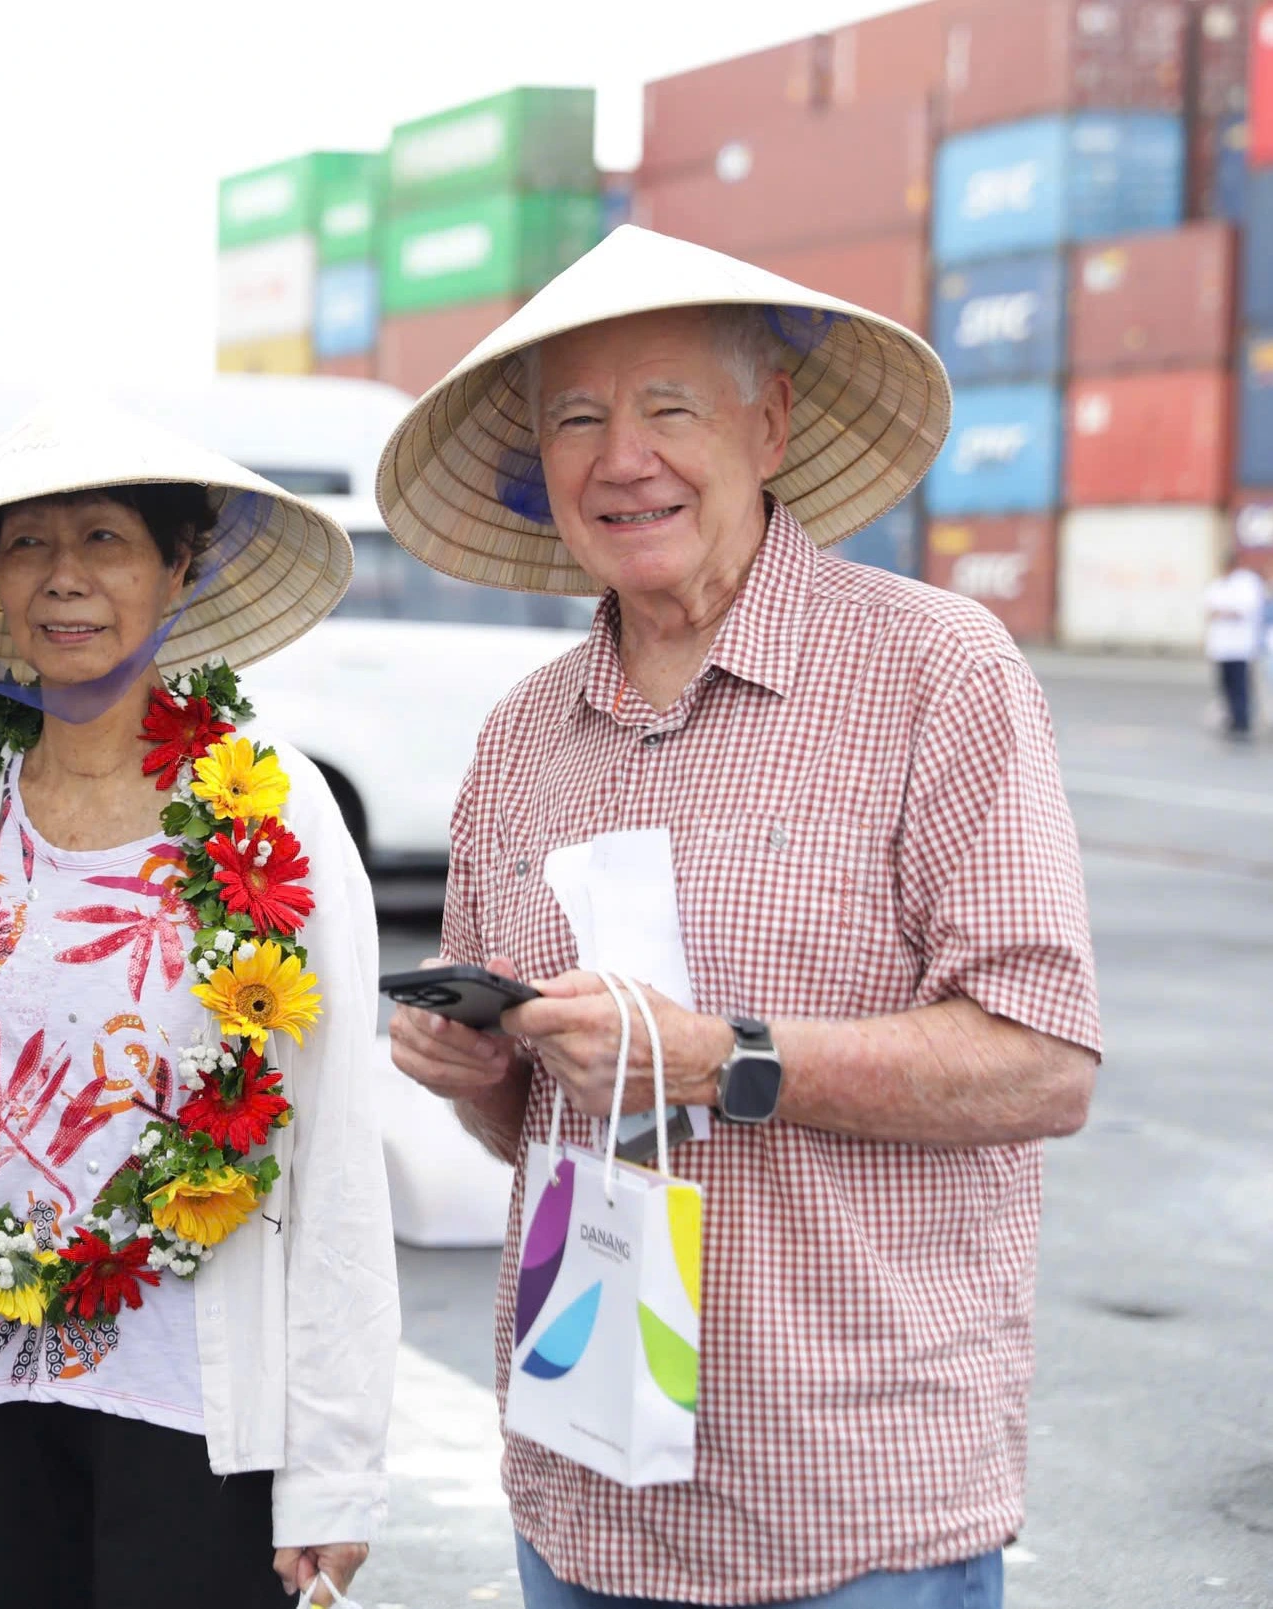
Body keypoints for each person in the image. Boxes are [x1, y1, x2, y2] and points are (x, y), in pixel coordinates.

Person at [379, 226, 1102, 1608]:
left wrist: (721, 1058)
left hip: (847, 1497)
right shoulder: (522, 737)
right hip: (582, 1484)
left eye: (668, 406)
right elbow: (533, 1129)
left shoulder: (931, 669)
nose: (621, 456)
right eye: (577, 419)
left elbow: (1042, 1065)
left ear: (768, 423)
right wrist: (486, 1078)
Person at [0, 405, 397, 1609]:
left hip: (195, 1400)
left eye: (105, 539)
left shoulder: (268, 806)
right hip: (0, 1379)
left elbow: (334, 1142)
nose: (66, 579)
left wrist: (332, 1474)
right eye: (28, 546)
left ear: (176, 566)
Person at [1204, 549, 1265, 739]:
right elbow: (1209, 610)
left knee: (1240, 685)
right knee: (1225, 684)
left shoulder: (1246, 583)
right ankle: (1231, 717)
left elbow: (1244, 610)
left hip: (1239, 646)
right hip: (1221, 647)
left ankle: (1242, 720)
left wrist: (1224, 612)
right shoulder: (1218, 584)